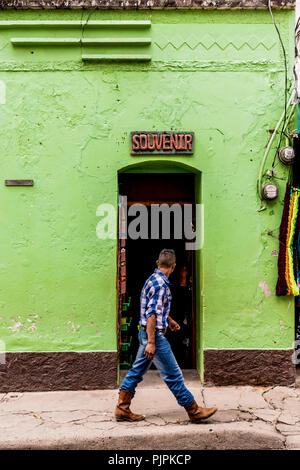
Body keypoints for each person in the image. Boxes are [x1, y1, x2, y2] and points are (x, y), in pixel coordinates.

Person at [115, 248, 217, 423]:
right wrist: (152, 342)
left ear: (157, 263)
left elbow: (155, 309)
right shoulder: (162, 285)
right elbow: (152, 314)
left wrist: (168, 319)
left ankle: (122, 408)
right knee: (173, 375)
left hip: (145, 334)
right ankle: (194, 411)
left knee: (136, 372)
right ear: (174, 266)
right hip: (154, 336)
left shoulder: (152, 280)